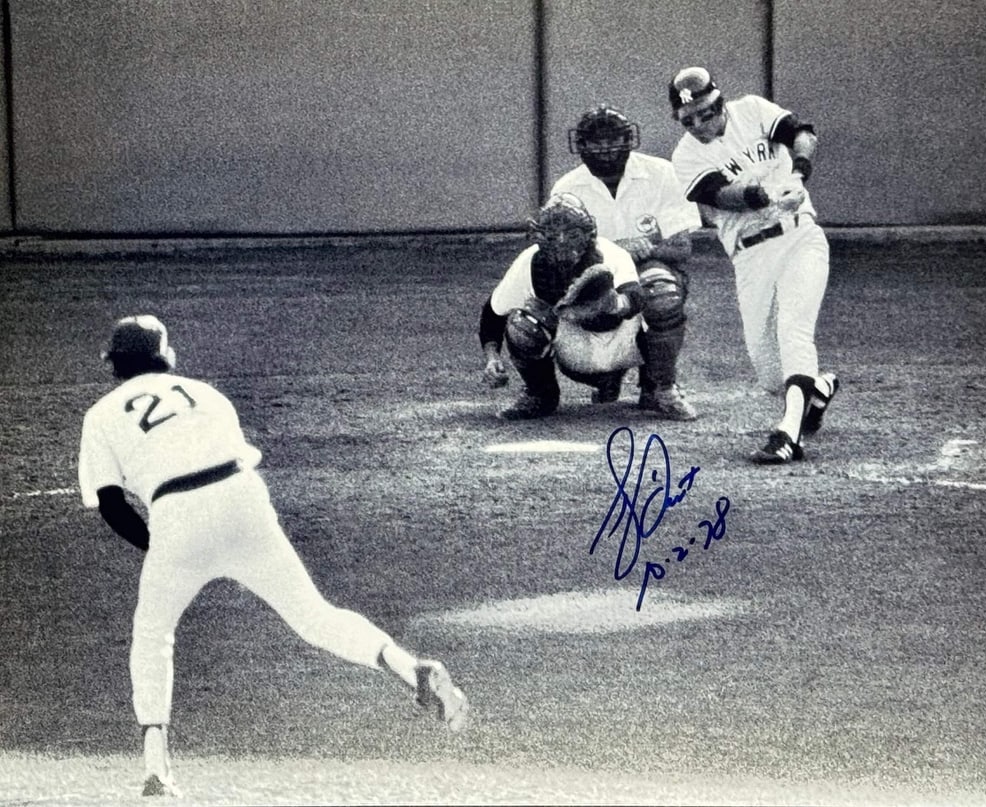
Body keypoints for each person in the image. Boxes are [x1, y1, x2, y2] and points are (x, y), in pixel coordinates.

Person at [77, 315, 469, 798]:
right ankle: (411, 668)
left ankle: (157, 769)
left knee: (153, 633)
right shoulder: (205, 393)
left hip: (176, 514)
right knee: (313, 616)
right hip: (244, 498)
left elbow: (112, 504)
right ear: (166, 356)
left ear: (114, 363)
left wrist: (162, 551)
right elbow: (228, 458)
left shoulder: (100, 414)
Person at [667, 66, 840, 463]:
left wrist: (798, 173)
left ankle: (788, 434)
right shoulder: (686, 156)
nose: (700, 124)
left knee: (793, 330)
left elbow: (802, 134)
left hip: (800, 237)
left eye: (707, 112)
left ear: (720, 101)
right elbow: (723, 196)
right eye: (689, 119)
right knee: (768, 372)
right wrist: (768, 193)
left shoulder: (753, 110)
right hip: (750, 255)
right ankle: (817, 391)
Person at [549, 103, 702, 421]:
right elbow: (559, 259)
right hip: (595, 279)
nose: (605, 148)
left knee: (661, 289)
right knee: (550, 318)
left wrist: (638, 252)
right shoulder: (565, 189)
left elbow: (681, 247)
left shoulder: (662, 173)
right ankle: (601, 375)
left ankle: (660, 388)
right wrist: (619, 249)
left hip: (648, 269)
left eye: (613, 139)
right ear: (581, 144)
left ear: (629, 139)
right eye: (596, 140)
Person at [480, 192, 649, 420]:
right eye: (551, 234)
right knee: (523, 324)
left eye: (571, 234)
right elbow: (493, 313)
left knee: (661, 294)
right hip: (574, 353)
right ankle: (541, 394)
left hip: (624, 343)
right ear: (538, 236)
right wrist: (492, 358)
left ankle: (658, 387)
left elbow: (636, 297)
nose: (561, 241)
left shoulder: (610, 254)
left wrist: (615, 304)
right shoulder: (530, 261)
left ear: (589, 234)